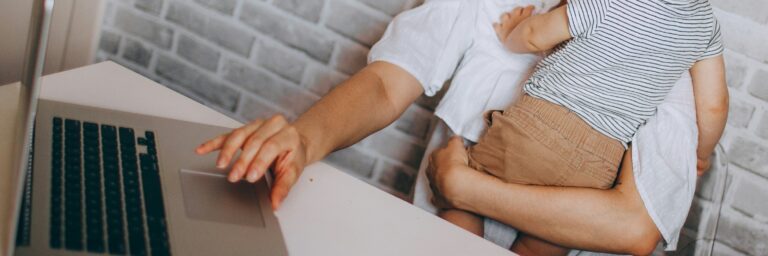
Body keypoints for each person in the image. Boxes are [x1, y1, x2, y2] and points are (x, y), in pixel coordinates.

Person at [194, 0, 727, 254]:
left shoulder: (661, 51)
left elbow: (633, 230)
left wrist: (464, 187)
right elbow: (386, 84)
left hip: (462, 203)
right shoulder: (487, 5)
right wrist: (306, 137)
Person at [435, 1, 728, 254]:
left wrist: (510, 33)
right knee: (546, 241)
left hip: (535, 128)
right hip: (600, 163)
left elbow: (535, 35)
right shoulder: (705, 27)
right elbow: (714, 106)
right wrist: (701, 154)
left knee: (461, 204)